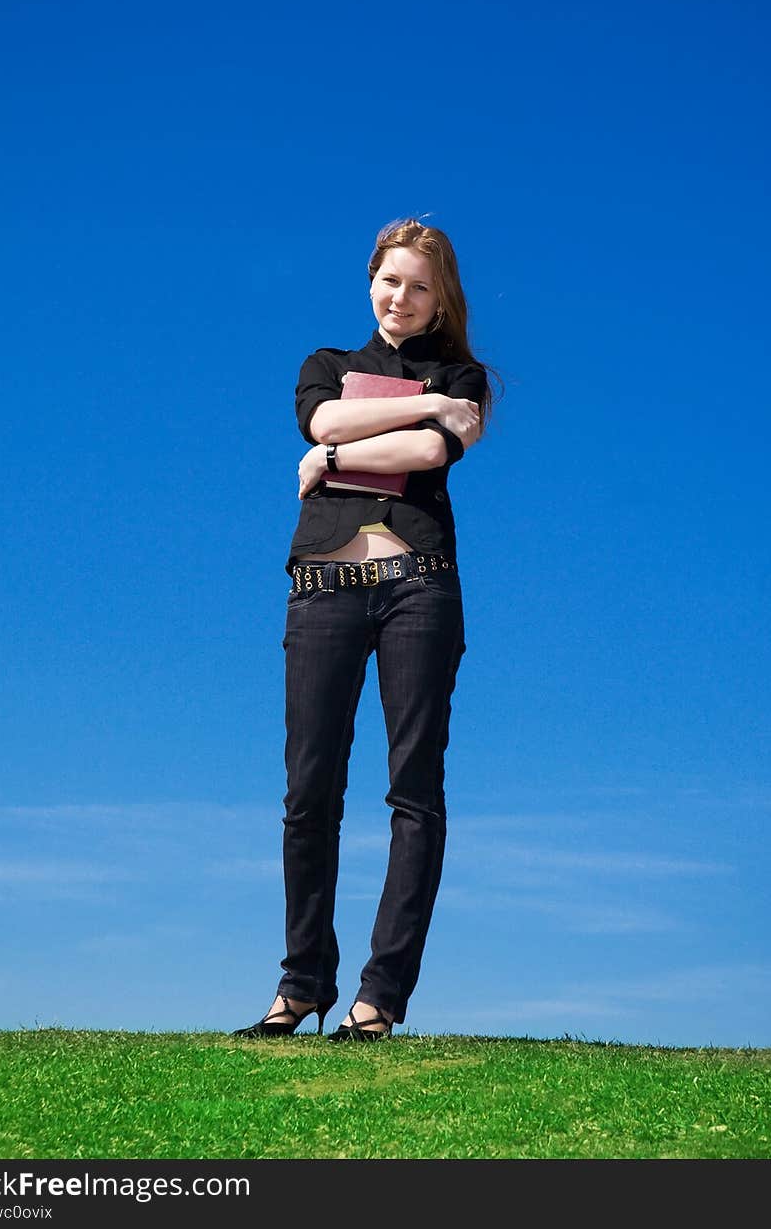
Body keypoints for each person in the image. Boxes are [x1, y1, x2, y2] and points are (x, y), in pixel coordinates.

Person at [234, 217, 497, 1041]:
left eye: (421, 286)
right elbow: (323, 423)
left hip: (419, 586)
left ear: (441, 296)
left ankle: (379, 998)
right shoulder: (327, 366)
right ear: (370, 280)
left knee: (412, 791)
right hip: (325, 583)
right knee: (309, 791)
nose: (402, 298)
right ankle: (302, 981)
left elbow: (424, 452)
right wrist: (379, 426)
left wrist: (334, 461)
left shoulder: (467, 375)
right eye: (391, 280)